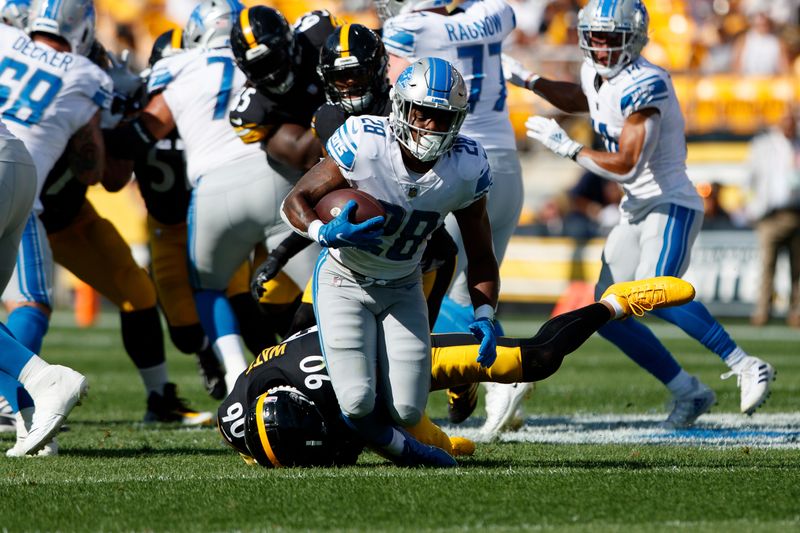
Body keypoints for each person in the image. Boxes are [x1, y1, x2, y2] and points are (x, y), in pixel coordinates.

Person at [510, 0, 775, 425]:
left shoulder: (647, 83)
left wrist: (570, 148)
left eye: (609, 37)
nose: (599, 46)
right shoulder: (597, 74)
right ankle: (687, 391)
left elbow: (629, 163)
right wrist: (528, 79)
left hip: (670, 200)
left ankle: (745, 363)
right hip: (635, 207)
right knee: (608, 312)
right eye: (593, 36)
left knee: (657, 290)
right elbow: (586, 99)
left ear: (632, 40)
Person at [218, 275, 698, 467]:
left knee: (536, 360)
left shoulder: (334, 404)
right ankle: (453, 414)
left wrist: (430, 452)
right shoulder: (238, 418)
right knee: (450, 444)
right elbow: (255, 428)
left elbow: (383, 437)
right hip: (343, 378)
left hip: (393, 360)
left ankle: (615, 303)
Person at [282, 57, 499, 467]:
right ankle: (390, 449)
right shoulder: (365, 141)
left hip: (403, 287)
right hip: (344, 281)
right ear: (400, 106)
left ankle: (383, 437)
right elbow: (295, 200)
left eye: (442, 116)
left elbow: (481, 250)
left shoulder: (467, 167)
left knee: (408, 410)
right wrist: (320, 232)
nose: (430, 125)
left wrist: (486, 312)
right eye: (422, 112)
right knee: (358, 400)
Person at [106, 0, 317, 393]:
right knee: (324, 286)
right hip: (276, 179)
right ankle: (323, 372)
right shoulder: (260, 58)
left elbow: (140, 134)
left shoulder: (180, 68)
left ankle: (239, 376)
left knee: (209, 287)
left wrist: (115, 106)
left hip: (213, 192)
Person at [377, 0, 530, 437]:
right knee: (474, 290)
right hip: (503, 160)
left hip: (451, 158)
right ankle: (495, 379)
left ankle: (507, 371)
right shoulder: (495, 14)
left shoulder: (410, 27)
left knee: (432, 284)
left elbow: (394, 84)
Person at [250, 23, 459, 336]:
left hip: (418, 251)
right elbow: (328, 200)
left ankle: (466, 385)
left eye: (356, 73)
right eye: (338, 76)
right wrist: (280, 254)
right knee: (303, 330)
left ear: (377, 70)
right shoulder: (328, 119)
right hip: (357, 251)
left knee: (421, 356)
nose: (347, 84)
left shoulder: (402, 114)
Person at [745, 109, 800, 327]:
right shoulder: (764, 145)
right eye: (787, 121)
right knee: (767, 266)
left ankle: (796, 312)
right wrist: (753, 208)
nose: (790, 126)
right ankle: (762, 310)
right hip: (770, 215)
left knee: (798, 269)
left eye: (793, 122)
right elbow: (749, 179)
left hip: (796, 213)